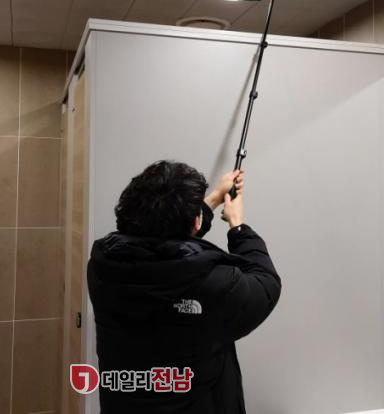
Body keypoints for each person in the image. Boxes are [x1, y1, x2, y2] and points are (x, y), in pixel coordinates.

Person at [87, 160, 281, 414]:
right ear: (195, 223)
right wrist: (238, 227)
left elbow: (162, 246)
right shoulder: (210, 284)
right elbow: (265, 284)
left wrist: (213, 199)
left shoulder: (103, 266)